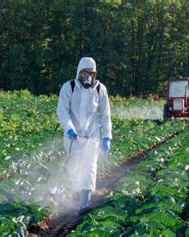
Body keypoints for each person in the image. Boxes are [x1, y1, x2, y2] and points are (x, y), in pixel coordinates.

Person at [57, 57, 112, 211]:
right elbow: (62, 112)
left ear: (94, 74)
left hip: (91, 136)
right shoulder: (69, 88)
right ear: (79, 73)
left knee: (89, 167)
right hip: (72, 137)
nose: (88, 76)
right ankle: (73, 196)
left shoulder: (100, 90)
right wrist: (69, 129)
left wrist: (106, 136)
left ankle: (84, 202)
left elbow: (105, 115)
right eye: (84, 73)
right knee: (75, 167)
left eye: (91, 73)